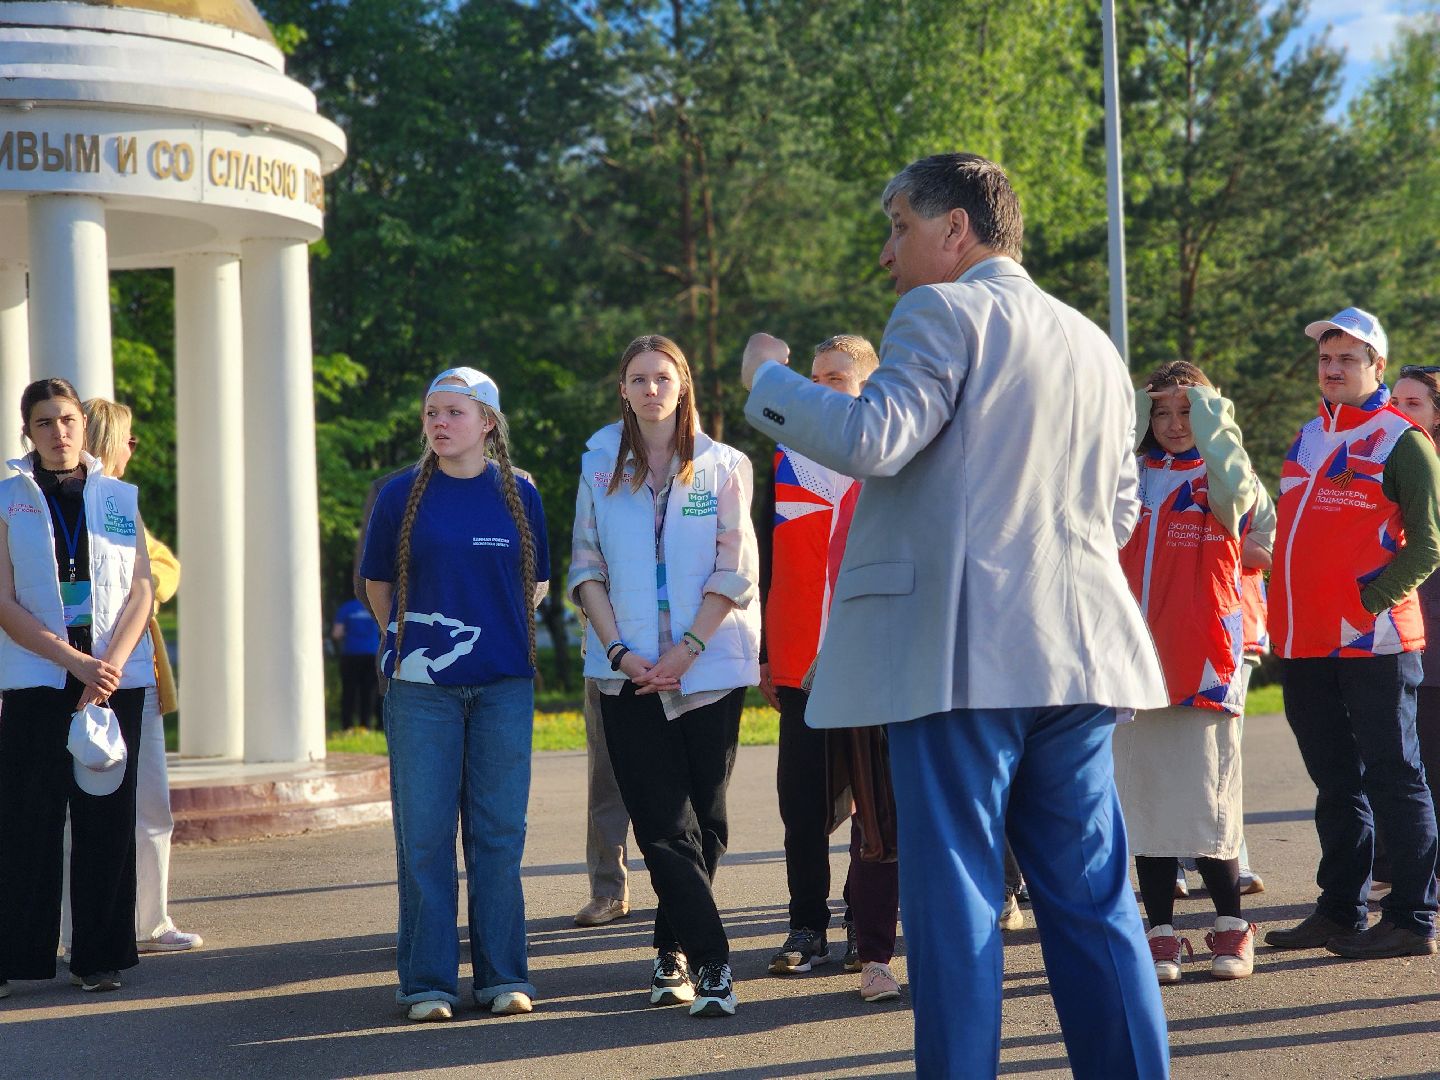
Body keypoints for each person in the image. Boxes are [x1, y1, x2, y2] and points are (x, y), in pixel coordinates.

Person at [740, 153, 1171, 1077]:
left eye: (899, 227)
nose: (889, 255)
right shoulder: (1095, 343)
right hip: (1082, 655)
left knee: (958, 907)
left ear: (957, 231)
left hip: (962, 660)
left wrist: (770, 380)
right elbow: (1123, 509)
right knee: (1095, 904)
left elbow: (871, 437)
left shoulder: (940, 309)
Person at [570, 334, 760, 1019]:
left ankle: (669, 952)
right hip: (625, 672)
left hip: (708, 664)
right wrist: (621, 652)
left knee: (706, 823)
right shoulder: (598, 465)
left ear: (683, 386)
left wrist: (686, 648)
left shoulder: (724, 465)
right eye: (638, 378)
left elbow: (734, 568)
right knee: (661, 823)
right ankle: (713, 966)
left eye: (662, 377)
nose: (651, 388)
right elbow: (585, 570)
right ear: (623, 390)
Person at [360, 366, 550, 1021]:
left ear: (488, 424)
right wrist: (401, 643)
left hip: (503, 687)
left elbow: (536, 586)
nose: (439, 423)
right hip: (421, 694)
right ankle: (427, 984)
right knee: (425, 839)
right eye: (432, 412)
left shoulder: (521, 494)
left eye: (454, 413)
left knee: (499, 836)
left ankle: (503, 978)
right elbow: (377, 584)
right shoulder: (398, 496)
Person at [1264, 308, 1439, 960]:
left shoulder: (1404, 439)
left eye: (1347, 359)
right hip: (1304, 640)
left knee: (1395, 776)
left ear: (1377, 369)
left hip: (1374, 639)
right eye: (1326, 358)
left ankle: (1412, 920)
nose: (1333, 368)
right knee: (1335, 780)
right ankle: (1340, 911)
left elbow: (1428, 545)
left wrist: (1368, 603)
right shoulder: (1308, 437)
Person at [757, 333, 903, 1002]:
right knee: (802, 805)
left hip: (873, 660)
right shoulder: (788, 457)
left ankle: (863, 930)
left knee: (876, 809)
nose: (821, 386)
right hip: (798, 661)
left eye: (837, 377)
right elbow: (766, 557)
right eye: (814, 376)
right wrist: (765, 649)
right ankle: (805, 927)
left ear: (869, 386)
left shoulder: (889, 458)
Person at [1114, 363, 1269, 983]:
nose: (1174, 425)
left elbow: (1241, 499)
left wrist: (1213, 419)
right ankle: (1159, 931)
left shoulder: (1223, 477)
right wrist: (1129, 409)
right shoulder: (1132, 474)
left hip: (1204, 660)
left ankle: (1232, 927)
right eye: (1162, 413)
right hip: (1133, 660)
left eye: (1187, 412)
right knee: (1146, 804)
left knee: (1207, 800)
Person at [0, 378, 155, 997]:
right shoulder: (10, 497)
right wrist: (72, 660)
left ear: (83, 426)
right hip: (39, 674)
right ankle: (16, 956)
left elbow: (141, 586)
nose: (59, 432)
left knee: (106, 816)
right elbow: (4, 599)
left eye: (67, 420)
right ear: (28, 432)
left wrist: (106, 665)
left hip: (115, 678)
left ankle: (99, 955)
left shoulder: (118, 496)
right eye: (45, 423)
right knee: (27, 818)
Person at [67, 398, 201, 955]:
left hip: (130, 672)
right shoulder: (75, 504)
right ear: (108, 440)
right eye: (129, 437)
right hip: (74, 670)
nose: (134, 447)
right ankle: (88, 929)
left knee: (146, 804)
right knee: (85, 807)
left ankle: (149, 920)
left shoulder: (125, 505)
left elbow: (159, 572)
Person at [1374, 365, 1440, 895]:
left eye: (1413, 404)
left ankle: (1419, 885)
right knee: (1400, 761)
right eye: (1394, 399)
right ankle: (1399, 867)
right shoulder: (1383, 462)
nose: (1398, 409)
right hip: (1399, 639)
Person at [574, 670, 632, 927]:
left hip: (681, 658)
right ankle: (608, 891)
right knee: (605, 781)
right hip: (607, 662)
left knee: (678, 785)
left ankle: (682, 890)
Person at [331, 596, 381, 728]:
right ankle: (366, 725)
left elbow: (337, 633)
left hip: (351, 654)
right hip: (372, 654)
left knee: (349, 691)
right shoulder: (374, 607)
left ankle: (347, 725)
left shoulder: (347, 608)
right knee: (369, 691)